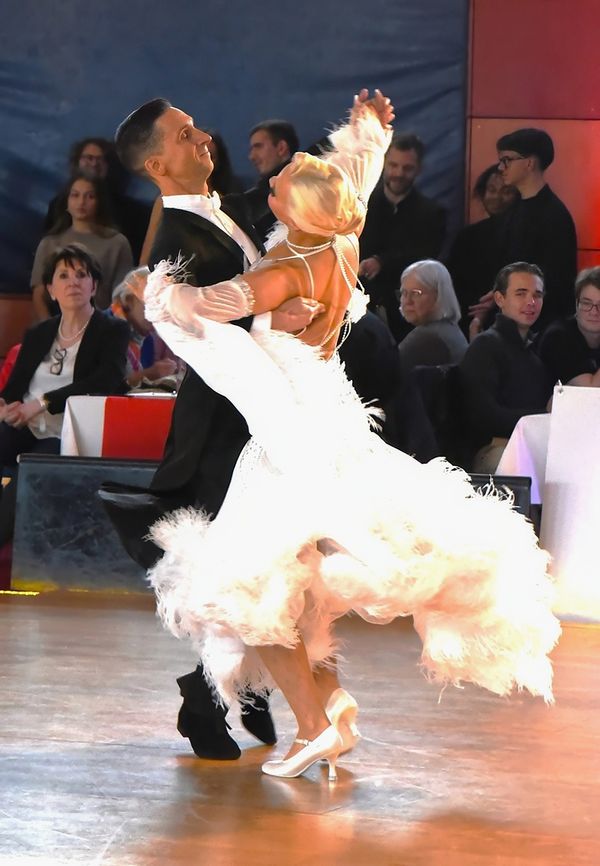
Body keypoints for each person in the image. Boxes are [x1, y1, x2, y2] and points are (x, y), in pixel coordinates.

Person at [132, 104, 559, 783]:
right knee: (283, 583)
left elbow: (211, 305)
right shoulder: (334, 241)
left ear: (295, 209)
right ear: (157, 163)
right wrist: (368, 142)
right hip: (295, 424)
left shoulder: (274, 259)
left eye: (280, 189)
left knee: (252, 585)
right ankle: (323, 708)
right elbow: (346, 195)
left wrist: (168, 299)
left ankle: (311, 718)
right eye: (186, 134)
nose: (266, 187)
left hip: (286, 432)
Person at [112, 96, 325, 762]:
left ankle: (246, 695)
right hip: (218, 426)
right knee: (233, 572)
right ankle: (206, 702)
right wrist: (276, 318)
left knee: (262, 567)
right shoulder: (172, 241)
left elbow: (281, 201)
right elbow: (200, 321)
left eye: (197, 126)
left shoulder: (224, 207)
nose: (204, 136)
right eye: (184, 134)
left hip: (258, 410)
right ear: (156, 162)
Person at [0, 245, 128, 544]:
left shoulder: (112, 330)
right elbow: (13, 388)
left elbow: (106, 380)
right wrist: (5, 406)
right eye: (64, 275)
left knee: (31, 469)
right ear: (51, 289)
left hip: (70, 432)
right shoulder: (39, 333)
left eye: (81, 275)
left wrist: (42, 404)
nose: (73, 282)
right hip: (24, 426)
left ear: (93, 286)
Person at [469, 129, 577, 333]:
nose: (501, 167)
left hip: (541, 328)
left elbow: (556, 279)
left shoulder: (555, 215)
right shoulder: (514, 210)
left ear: (529, 163)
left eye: (507, 160)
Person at [459, 262, 552, 473]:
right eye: (521, 293)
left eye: (537, 295)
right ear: (500, 299)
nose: (531, 301)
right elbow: (484, 417)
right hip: (493, 448)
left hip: (529, 445)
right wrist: (545, 416)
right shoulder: (486, 346)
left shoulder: (533, 350)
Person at [358, 133, 447, 342]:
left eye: (407, 168)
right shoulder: (359, 206)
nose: (398, 173)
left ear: (419, 169)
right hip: (359, 309)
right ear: (383, 164)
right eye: (393, 165)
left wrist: (382, 262)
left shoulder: (432, 213)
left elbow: (426, 259)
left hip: (408, 317)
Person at [31, 174, 133, 319]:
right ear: (67, 200)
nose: (81, 202)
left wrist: (109, 330)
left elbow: (122, 295)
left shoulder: (117, 243)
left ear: (99, 202)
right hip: (57, 323)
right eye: (75, 195)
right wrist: (50, 330)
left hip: (102, 325)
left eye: (89, 196)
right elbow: (39, 295)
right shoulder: (49, 243)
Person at [139, 129, 243, 266]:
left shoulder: (225, 204)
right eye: (199, 154)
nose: (205, 160)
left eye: (211, 156)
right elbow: (146, 258)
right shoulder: (166, 200)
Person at [44, 137, 151, 261]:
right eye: (89, 158)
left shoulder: (132, 212)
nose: (94, 164)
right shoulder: (58, 205)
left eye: (101, 159)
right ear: (77, 162)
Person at [446, 165, 518, 332]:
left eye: (506, 191)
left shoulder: (522, 234)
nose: (497, 197)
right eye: (491, 190)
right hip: (466, 319)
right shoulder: (467, 236)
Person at [111, 267, 180, 389]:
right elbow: (108, 385)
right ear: (128, 300)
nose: (159, 314)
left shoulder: (147, 338)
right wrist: (150, 374)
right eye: (151, 305)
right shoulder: (106, 328)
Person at [397, 260, 468, 373]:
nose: (407, 301)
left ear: (439, 296)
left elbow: (386, 379)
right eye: (404, 293)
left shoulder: (427, 338)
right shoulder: (447, 328)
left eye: (416, 293)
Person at [537, 266, 600, 388]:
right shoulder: (558, 337)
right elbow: (589, 389)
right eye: (587, 303)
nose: (594, 312)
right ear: (576, 304)